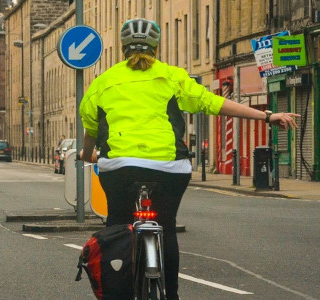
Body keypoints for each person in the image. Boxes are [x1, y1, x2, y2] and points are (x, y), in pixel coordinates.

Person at [78, 18, 298, 299]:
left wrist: (88, 154)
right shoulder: (173, 76)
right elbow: (214, 103)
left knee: (118, 226)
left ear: (122, 48)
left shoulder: (103, 82)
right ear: (156, 47)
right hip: (170, 168)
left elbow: (92, 129)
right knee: (166, 226)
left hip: (119, 168)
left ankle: (116, 291)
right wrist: (267, 115)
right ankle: (171, 295)